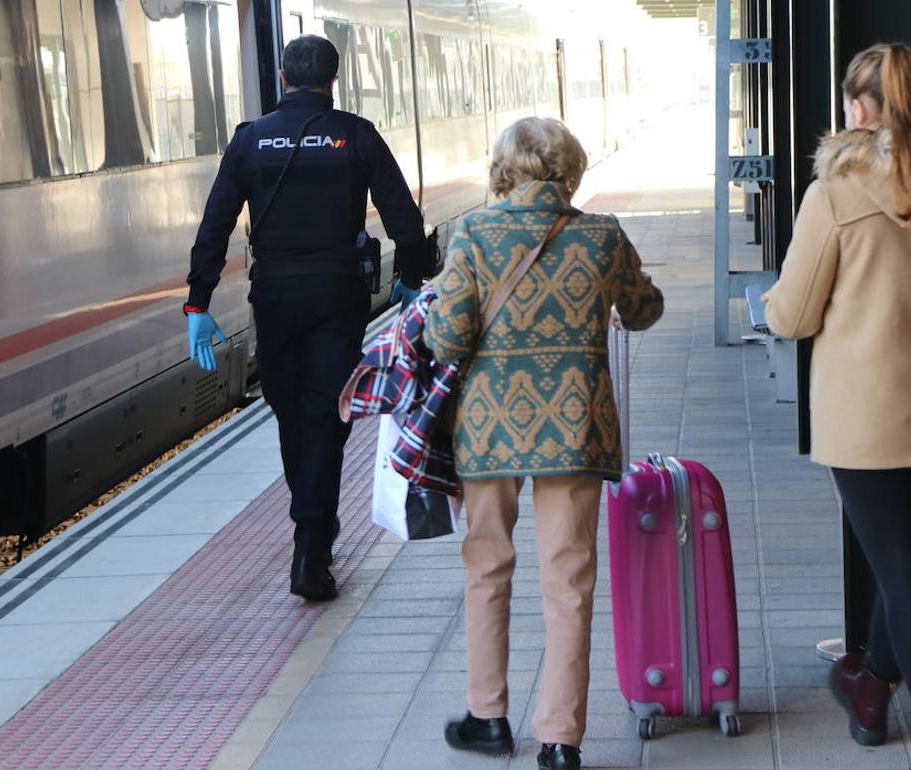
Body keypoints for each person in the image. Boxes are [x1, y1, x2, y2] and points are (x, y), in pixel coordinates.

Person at [764, 43, 911, 770]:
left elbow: (791, 317)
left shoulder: (834, 194)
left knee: (905, 575)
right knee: (904, 563)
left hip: (867, 425)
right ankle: (869, 695)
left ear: (858, 110)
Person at [424, 118, 664, 770]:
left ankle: (489, 717)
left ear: (503, 170)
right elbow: (645, 310)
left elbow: (446, 340)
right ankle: (561, 740)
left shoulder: (474, 234)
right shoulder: (601, 236)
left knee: (487, 570)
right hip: (573, 430)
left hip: (488, 432)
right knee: (570, 581)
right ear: (570, 168)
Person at [184, 35, 427, 601]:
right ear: (334, 80)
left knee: (292, 413)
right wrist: (410, 282)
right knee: (325, 416)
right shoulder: (356, 135)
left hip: (275, 298)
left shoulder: (250, 140)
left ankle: (310, 532)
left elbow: (215, 226)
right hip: (336, 297)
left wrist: (198, 303)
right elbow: (404, 219)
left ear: (282, 76)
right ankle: (311, 544)